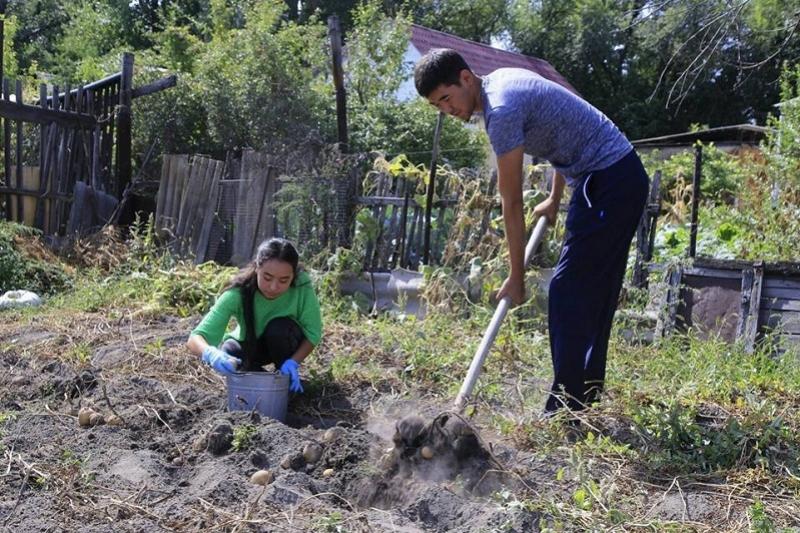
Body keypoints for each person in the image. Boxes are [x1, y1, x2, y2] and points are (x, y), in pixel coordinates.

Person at [414, 49, 649, 413]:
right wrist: (555, 199)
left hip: (607, 180)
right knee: (595, 291)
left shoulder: (501, 111)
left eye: (446, 98)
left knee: (568, 290)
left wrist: (516, 277)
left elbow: (510, 202)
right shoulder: (504, 80)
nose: (448, 110)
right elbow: (563, 128)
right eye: (437, 107)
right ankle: (584, 397)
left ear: (465, 78)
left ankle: (566, 406)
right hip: (617, 175)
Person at [187, 238, 322, 393]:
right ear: (257, 267)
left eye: (284, 280)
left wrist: (293, 362)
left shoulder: (301, 285)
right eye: (267, 277)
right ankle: (265, 383)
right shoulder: (238, 293)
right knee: (230, 350)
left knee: (278, 329)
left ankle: (285, 378)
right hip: (253, 345)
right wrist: (210, 354)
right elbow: (195, 338)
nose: (273, 287)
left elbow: (313, 333)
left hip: (285, 341)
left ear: (293, 277)